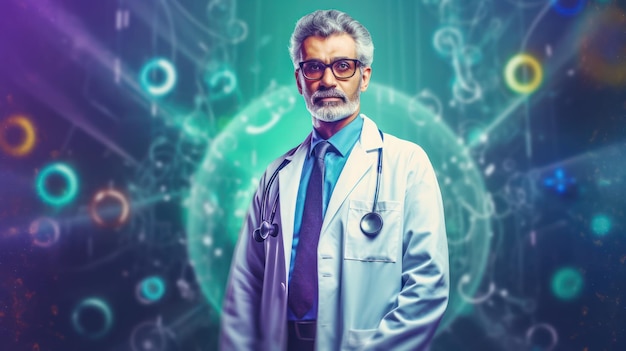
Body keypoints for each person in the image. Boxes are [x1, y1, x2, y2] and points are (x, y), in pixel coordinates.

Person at [220, 9, 449, 351]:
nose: (328, 81)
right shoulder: (275, 176)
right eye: (314, 67)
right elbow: (244, 288)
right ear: (300, 81)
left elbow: (427, 286)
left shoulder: (407, 164)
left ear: (365, 77)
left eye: (343, 66)